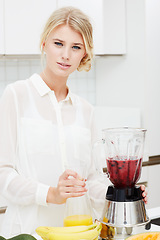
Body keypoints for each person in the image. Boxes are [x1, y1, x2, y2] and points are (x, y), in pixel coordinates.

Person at [0, 6, 147, 238]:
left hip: (79, 233)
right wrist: (50, 194)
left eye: (75, 47)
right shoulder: (16, 96)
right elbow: (3, 174)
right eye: (58, 43)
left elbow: (91, 181)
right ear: (44, 44)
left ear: (84, 55)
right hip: (28, 232)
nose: (66, 54)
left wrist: (123, 195)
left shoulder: (85, 110)